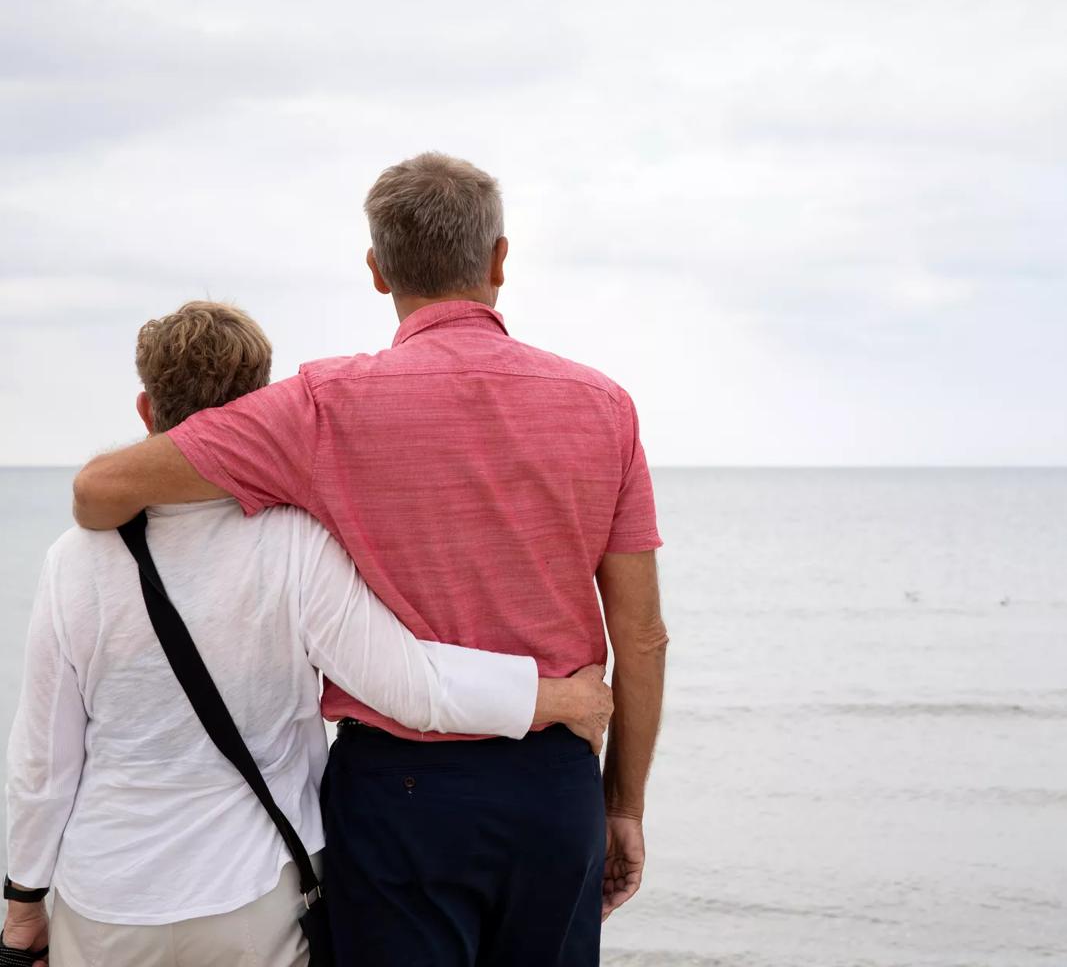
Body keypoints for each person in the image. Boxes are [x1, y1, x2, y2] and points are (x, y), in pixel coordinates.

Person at [71, 152, 669, 966]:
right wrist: (623, 805)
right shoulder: (604, 407)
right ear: (499, 258)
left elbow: (101, 489)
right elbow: (641, 638)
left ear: (377, 270)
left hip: (400, 800)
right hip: (553, 790)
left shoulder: (321, 407)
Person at [3, 301, 613, 967]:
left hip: (107, 900)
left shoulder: (75, 558)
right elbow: (411, 685)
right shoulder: (294, 543)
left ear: (148, 412)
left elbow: (44, 760)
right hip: (254, 893)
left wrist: (24, 903)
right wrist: (561, 699)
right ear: (259, 410)